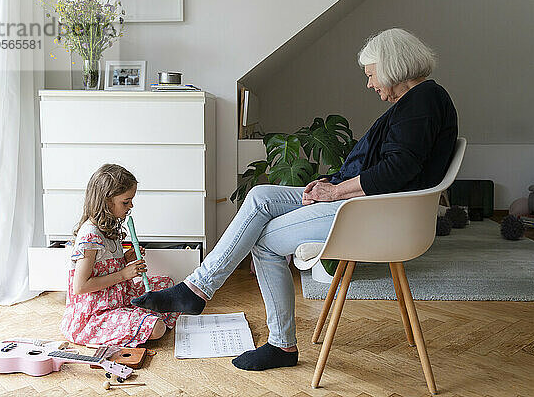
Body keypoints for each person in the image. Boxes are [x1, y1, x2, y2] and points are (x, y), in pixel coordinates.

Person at [131, 28, 458, 370]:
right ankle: (197, 288)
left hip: (373, 214)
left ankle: (281, 345)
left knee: (266, 242)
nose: (370, 84)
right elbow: (387, 164)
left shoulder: (422, 102)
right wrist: (331, 182)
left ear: (391, 66)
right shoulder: (419, 101)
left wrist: (334, 192)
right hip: (366, 204)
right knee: (260, 197)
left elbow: (396, 170)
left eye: (371, 74)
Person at [60, 164, 179, 347]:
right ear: (107, 202)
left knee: (167, 284)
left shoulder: (109, 227)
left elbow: (102, 267)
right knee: (157, 328)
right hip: (96, 314)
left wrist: (126, 259)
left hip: (119, 298)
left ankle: (137, 318)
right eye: (126, 201)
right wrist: (124, 274)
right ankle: (140, 321)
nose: (131, 206)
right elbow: (81, 286)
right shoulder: (90, 236)